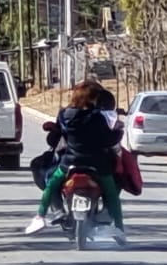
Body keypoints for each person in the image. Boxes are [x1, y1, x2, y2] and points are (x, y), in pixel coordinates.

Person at [26, 80, 126, 242]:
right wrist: (118, 132)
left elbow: (55, 139)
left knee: (51, 184)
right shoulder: (97, 117)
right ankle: (119, 227)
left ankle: (40, 216)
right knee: (112, 192)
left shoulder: (64, 115)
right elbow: (107, 139)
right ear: (92, 98)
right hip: (97, 165)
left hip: (69, 163)